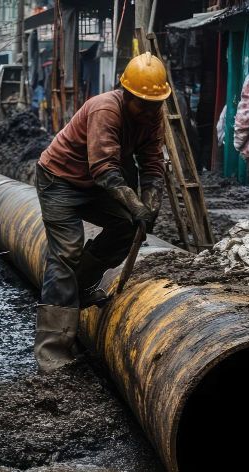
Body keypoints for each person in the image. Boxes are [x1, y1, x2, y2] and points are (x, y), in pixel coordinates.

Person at [33, 53, 169, 373]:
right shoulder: (106, 108)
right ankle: (51, 353)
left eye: (155, 104)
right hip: (60, 181)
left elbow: (152, 165)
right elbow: (105, 168)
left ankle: (77, 291)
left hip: (94, 186)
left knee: (124, 227)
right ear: (127, 95)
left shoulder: (152, 116)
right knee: (65, 253)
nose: (150, 111)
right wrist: (136, 205)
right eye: (144, 105)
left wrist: (150, 204)